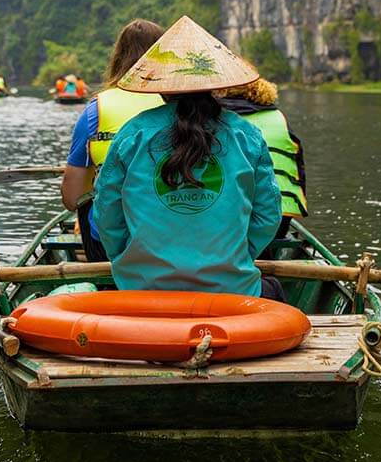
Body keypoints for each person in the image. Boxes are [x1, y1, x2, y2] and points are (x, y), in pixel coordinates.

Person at [92, 16, 284, 300]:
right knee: (275, 292)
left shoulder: (133, 134)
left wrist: (129, 260)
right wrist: (237, 256)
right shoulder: (247, 136)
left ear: (160, 83)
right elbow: (267, 216)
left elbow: (107, 214)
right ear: (215, 81)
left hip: (142, 290)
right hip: (230, 291)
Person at [62, 19, 165, 261]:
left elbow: (71, 197)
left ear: (117, 57)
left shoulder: (96, 111)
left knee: (86, 200)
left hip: (110, 243)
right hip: (176, 233)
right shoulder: (184, 104)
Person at [217, 77, 308, 239]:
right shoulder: (279, 117)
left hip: (235, 220)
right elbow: (299, 169)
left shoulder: (220, 119)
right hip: (282, 216)